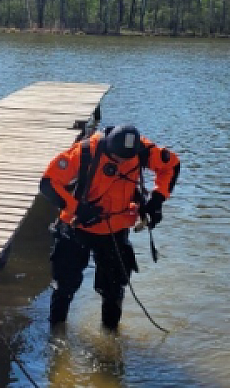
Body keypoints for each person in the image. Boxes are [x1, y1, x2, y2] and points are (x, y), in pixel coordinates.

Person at [39, 125, 180, 331]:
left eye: (126, 160)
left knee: (114, 290)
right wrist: (78, 209)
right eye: (117, 159)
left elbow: (171, 166)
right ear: (107, 147)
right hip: (77, 227)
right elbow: (48, 183)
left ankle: (110, 336)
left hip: (115, 231)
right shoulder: (85, 151)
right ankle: (57, 336)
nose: (122, 163)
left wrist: (156, 200)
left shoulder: (142, 150)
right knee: (64, 287)